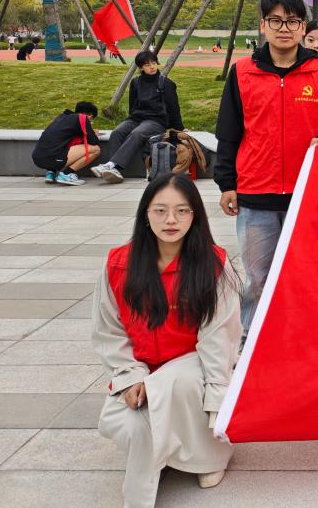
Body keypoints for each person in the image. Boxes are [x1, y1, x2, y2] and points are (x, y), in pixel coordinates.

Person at [93, 173, 242, 507]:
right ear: (145, 214)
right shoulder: (119, 265)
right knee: (130, 424)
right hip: (143, 367)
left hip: (194, 369)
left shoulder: (213, 265)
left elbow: (220, 340)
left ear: (195, 215)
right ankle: (165, 455)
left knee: (177, 386)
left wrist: (218, 399)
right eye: (160, 210)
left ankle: (209, 457)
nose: (171, 220)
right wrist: (131, 376)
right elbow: (109, 332)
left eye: (182, 210)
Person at [214, 0, 318, 337]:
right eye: (275, 21)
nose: (284, 28)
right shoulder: (242, 72)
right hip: (255, 195)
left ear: (303, 27)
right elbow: (228, 132)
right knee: (257, 278)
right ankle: (252, 340)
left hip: (307, 195)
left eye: (292, 21)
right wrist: (227, 184)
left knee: (308, 273)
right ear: (263, 25)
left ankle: (308, 337)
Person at [92, 51, 185, 184]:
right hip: (136, 119)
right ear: (141, 68)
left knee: (137, 133)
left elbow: (174, 107)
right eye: (147, 65)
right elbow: (133, 106)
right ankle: (115, 171)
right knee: (117, 132)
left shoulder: (166, 83)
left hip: (156, 121)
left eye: (154, 63)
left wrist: (179, 127)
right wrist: (131, 120)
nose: (152, 67)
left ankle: (111, 165)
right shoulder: (135, 82)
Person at [32, 101, 101, 185]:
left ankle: (51, 172)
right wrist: (93, 133)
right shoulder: (82, 118)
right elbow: (94, 141)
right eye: (92, 118)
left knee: (59, 145)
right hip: (53, 159)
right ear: (90, 115)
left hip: (38, 158)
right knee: (96, 150)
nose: (90, 120)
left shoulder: (61, 117)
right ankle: (66, 174)